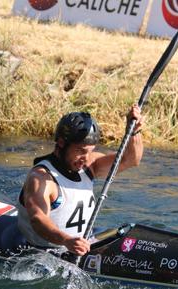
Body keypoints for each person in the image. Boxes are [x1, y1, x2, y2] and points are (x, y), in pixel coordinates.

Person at [18, 105, 144, 255]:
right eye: (80, 151)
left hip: (83, 243)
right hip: (44, 251)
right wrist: (66, 240)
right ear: (61, 143)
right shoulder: (41, 178)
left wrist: (134, 131)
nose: (86, 158)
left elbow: (130, 160)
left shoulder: (89, 165)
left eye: (90, 151)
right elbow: (38, 219)